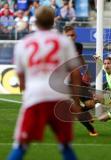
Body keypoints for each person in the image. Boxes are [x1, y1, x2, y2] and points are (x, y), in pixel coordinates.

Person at [7, 6, 81, 160]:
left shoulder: (23, 43)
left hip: (35, 97)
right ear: (53, 20)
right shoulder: (64, 42)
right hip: (60, 96)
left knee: (21, 144)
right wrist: (75, 101)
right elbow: (75, 73)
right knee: (65, 144)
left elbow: (20, 75)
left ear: (35, 21)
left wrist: (27, 93)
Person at [63, 25, 98, 136]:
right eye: (68, 36)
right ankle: (91, 130)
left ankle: (83, 114)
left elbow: (80, 58)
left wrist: (86, 71)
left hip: (78, 79)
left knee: (91, 103)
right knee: (77, 105)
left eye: (72, 35)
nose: (70, 38)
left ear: (75, 35)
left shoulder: (78, 46)